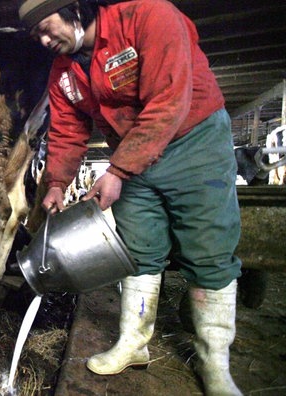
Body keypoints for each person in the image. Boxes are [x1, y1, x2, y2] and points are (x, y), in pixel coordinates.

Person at [18, 1, 243, 395]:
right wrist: (55, 183)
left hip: (194, 142)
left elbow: (170, 99)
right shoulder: (63, 71)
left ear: (74, 8)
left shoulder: (147, 18)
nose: (42, 38)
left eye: (45, 26)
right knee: (138, 250)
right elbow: (68, 130)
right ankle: (133, 342)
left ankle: (215, 365)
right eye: (35, 34)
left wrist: (118, 171)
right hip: (132, 152)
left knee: (208, 250)